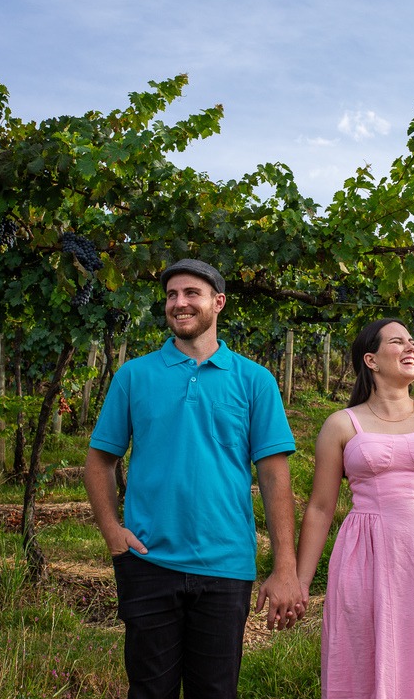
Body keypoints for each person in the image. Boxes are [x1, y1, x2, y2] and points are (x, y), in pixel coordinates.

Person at [84, 259, 304, 699]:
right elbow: (99, 459)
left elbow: (275, 477)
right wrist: (111, 529)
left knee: (216, 692)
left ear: (217, 303)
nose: (179, 303)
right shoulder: (134, 375)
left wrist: (285, 568)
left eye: (191, 294)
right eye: (171, 295)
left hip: (226, 564)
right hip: (148, 561)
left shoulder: (255, 380)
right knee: (149, 691)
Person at [296, 318, 414, 699]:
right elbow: (319, 508)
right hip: (366, 555)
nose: (411, 348)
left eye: (413, 343)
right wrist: (301, 580)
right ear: (371, 359)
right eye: (397, 342)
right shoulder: (341, 424)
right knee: (366, 652)